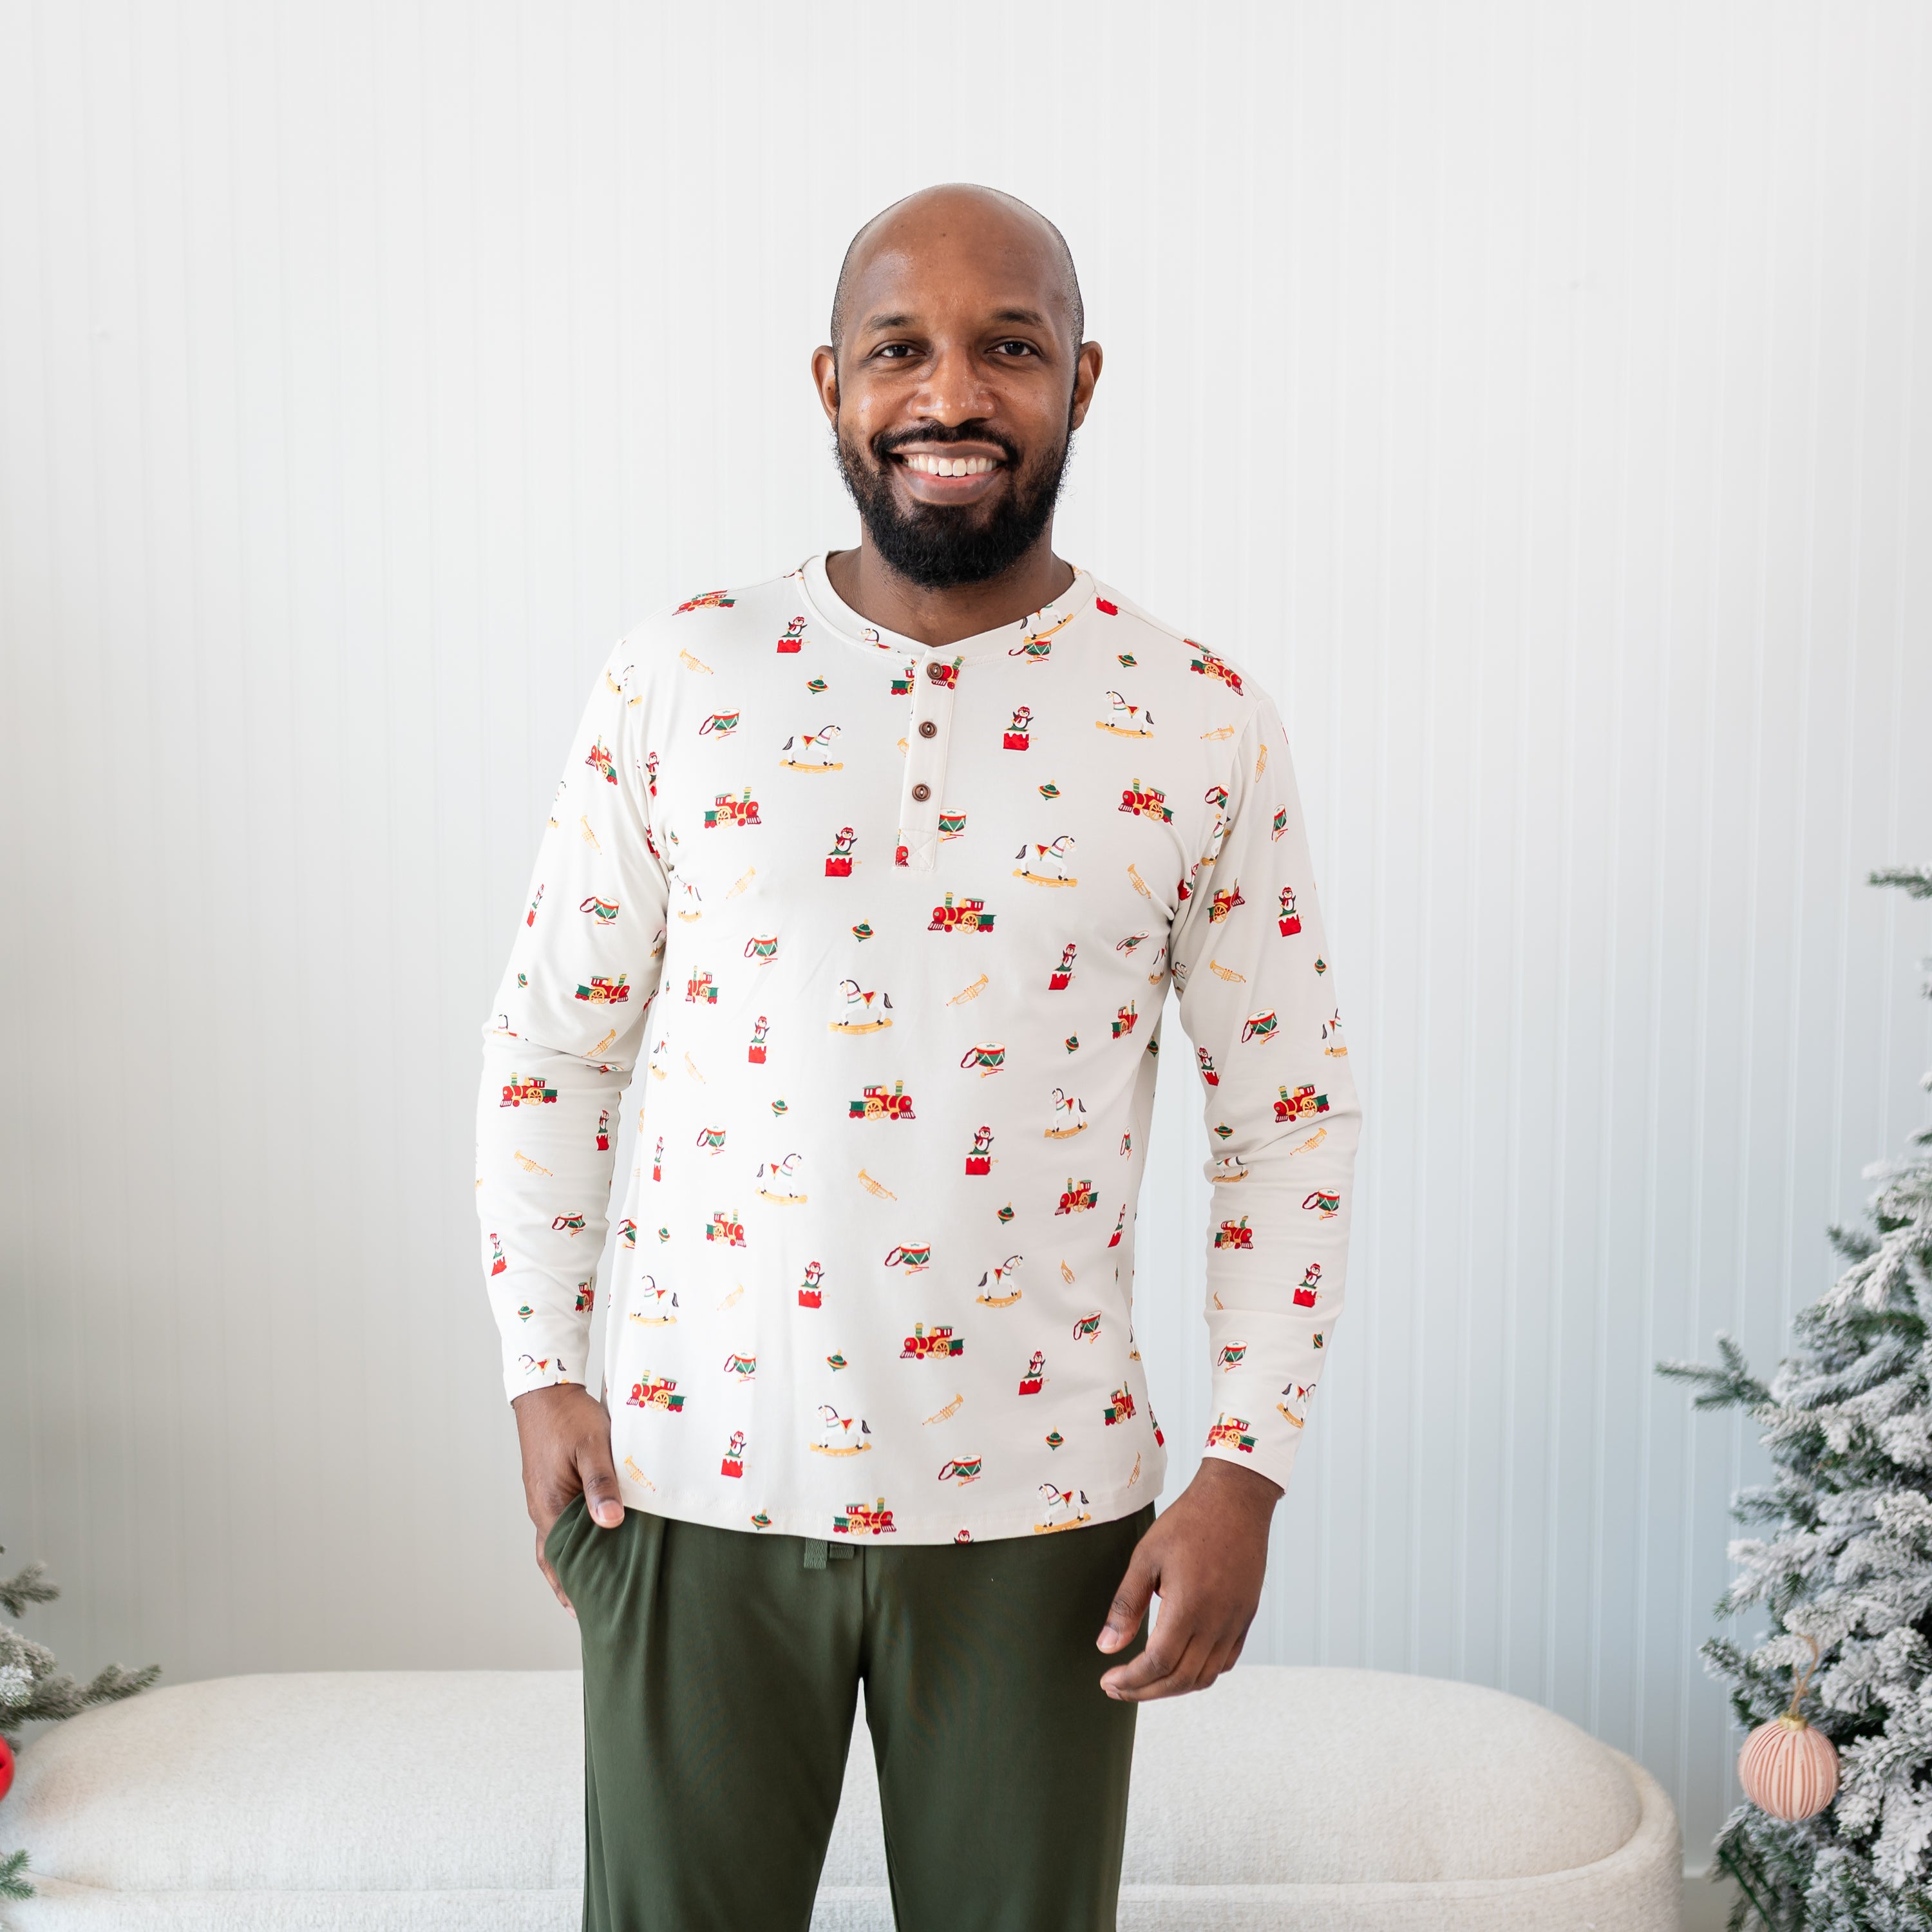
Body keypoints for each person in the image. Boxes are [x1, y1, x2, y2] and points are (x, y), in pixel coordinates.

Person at [475, 182, 1363, 1932]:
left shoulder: (1193, 716)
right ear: (829, 382)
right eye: (902, 348)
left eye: (1006, 347)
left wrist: (1245, 1467)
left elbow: (1287, 1115)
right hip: (690, 1486)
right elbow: (551, 1047)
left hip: (1048, 1527)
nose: (950, 394)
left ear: (1082, 381)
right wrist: (539, 1366)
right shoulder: (684, 679)